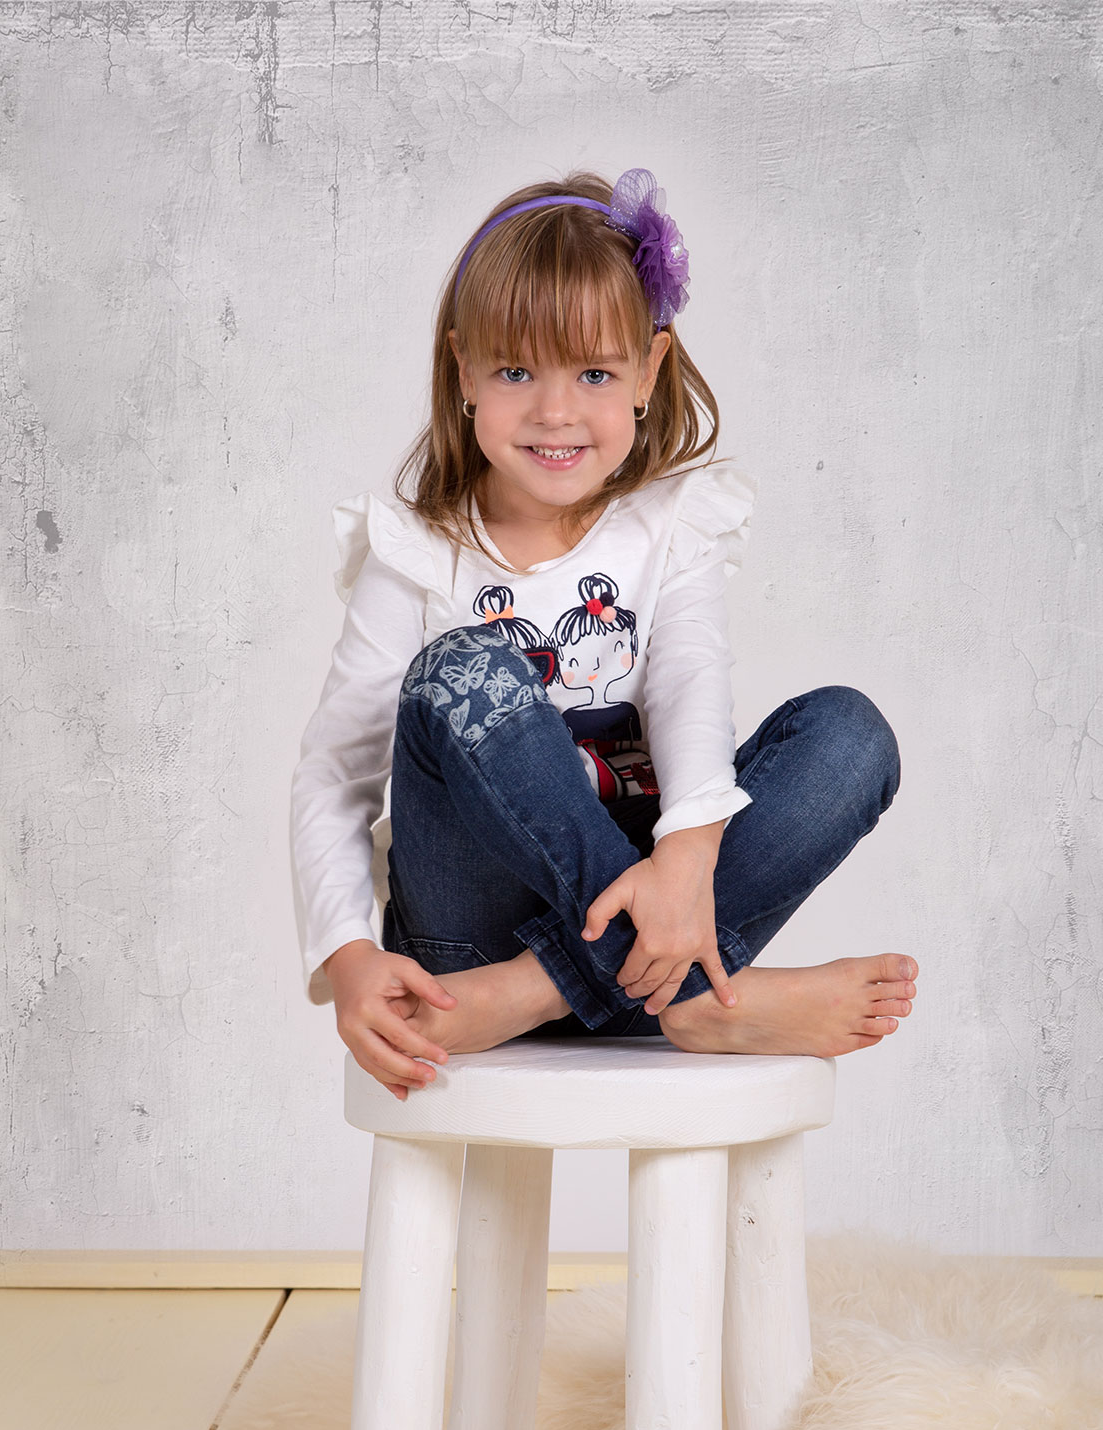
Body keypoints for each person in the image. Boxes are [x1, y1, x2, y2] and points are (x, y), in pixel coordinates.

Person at [290, 166, 919, 1102]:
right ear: (464, 372)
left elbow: (689, 682)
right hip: (463, 947)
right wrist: (346, 955)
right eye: (515, 372)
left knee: (849, 733)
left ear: (647, 373)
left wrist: (686, 862)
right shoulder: (416, 553)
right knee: (465, 670)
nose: (555, 412)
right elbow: (335, 773)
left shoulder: (671, 528)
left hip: (623, 934)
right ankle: (694, 993)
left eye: (593, 373)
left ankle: (560, 990)